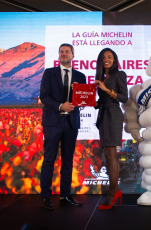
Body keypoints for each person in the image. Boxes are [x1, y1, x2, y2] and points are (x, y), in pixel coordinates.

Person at [40, 43, 86, 210]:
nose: (64, 54)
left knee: (67, 161)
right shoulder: (49, 73)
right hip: (52, 122)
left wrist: (79, 99)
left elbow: (83, 101)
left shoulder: (81, 76)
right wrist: (60, 105)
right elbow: (44, 97)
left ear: (73, 55)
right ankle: (45, 197)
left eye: (67, 51)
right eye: (61, 52)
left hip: (71, 123)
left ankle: (65, 195)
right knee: (49, 160)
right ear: (59, 55)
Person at [94, 48, 128, 210]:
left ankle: (112, 194)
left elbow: (124, 97)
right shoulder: (101, 77)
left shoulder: (119, 74)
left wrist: (107, 90)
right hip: (103, 115)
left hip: (113, 115)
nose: (107, 59)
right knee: (108, 155)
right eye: (104, 57)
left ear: (114, 60)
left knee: (111, 154)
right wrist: (90, 101)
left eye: (110, 57)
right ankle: (115, 191)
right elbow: (101, 101)